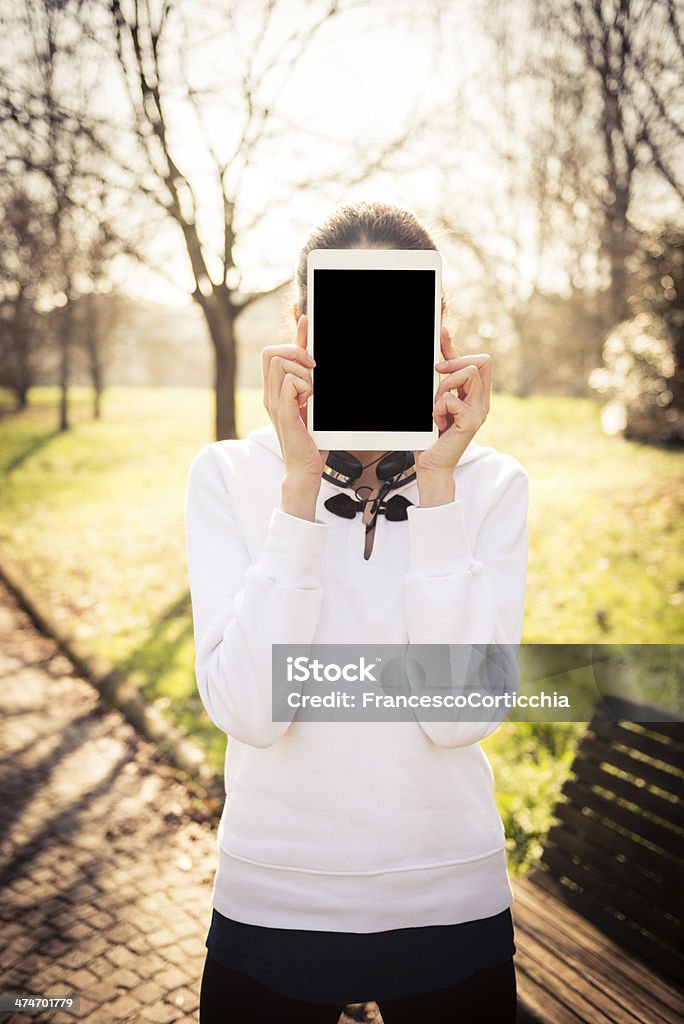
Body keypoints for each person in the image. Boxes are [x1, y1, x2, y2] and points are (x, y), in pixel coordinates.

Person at [185, 200, 529, 1022]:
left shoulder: (491, 484)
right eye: (348, 315)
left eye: (400, 312)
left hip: (450, 894)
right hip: (275, 892)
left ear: (440, 328)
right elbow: (249, 713)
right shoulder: (230, 475)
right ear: (300, 331)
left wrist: (439, 486)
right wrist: (298, 488)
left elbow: (460, 714)